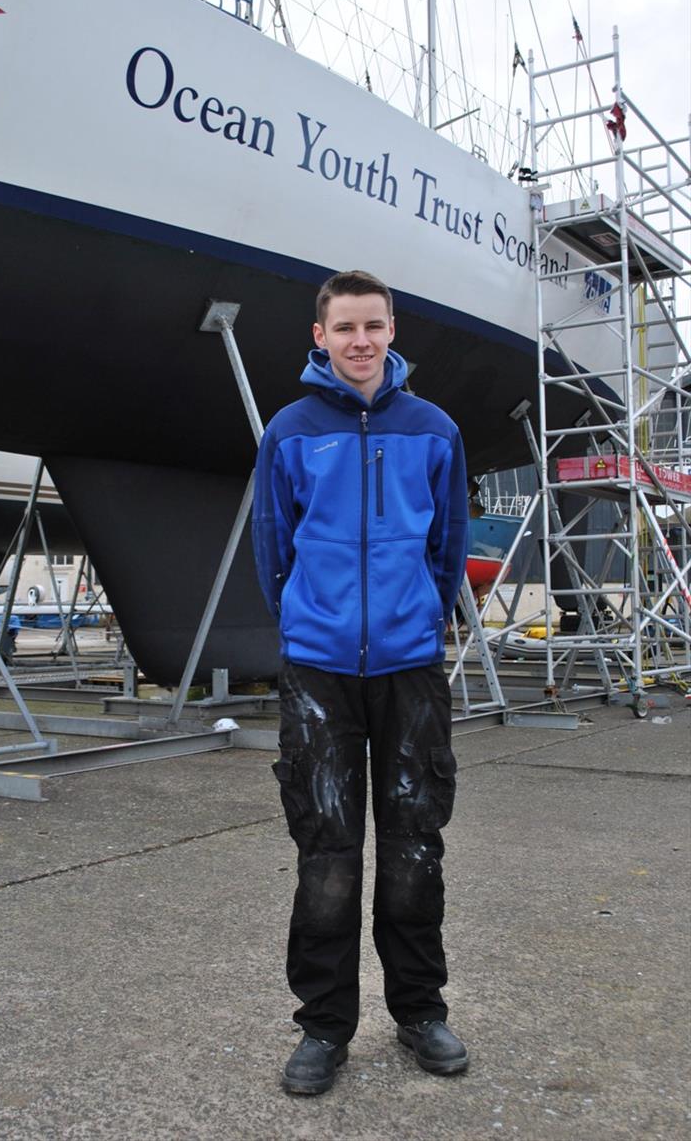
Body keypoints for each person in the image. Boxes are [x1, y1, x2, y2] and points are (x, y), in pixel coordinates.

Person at [252, 269, 470, 1095]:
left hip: (410, 669)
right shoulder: (291, 432)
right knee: (328, 856)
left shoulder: (435, 430)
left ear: (390, 330)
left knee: (415, 848)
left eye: (373, 326)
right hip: (320, 673)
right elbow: (274, 550)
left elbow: (446, 552)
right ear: (321, 335)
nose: (360, 341)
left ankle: (419, 1011)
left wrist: (413, 620)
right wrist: (316, 622)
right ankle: (323, 1028)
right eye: (344, 328)